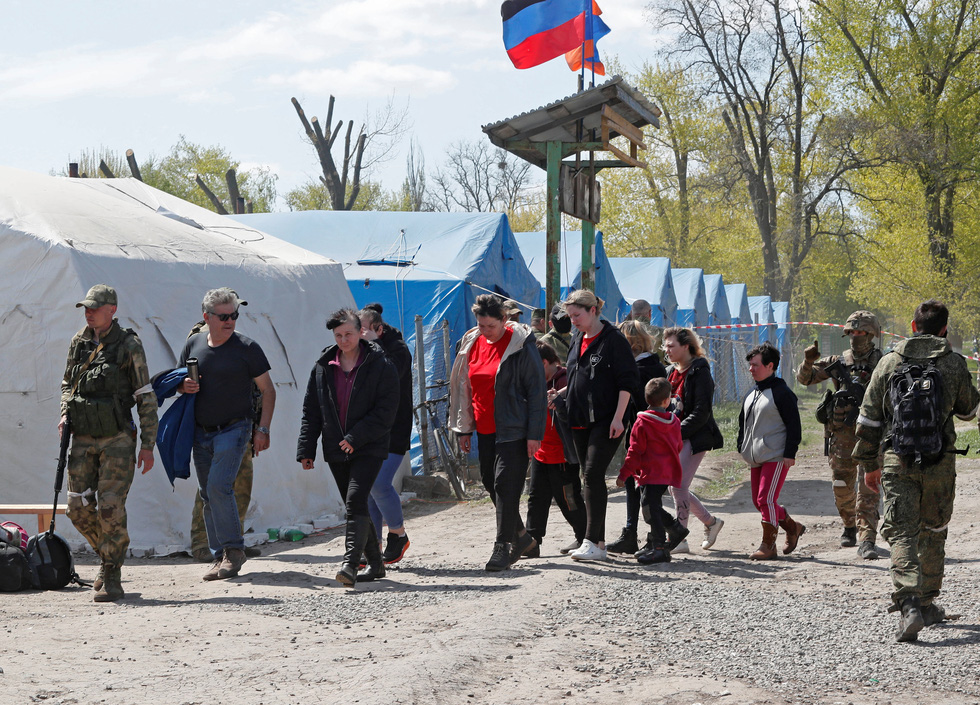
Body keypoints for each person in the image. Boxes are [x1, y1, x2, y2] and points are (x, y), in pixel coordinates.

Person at [853, 299, 980, 642]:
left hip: (897, 460)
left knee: (902, 531)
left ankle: (908, 604)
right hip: (940, 462)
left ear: (912, 327)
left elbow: (867, 419)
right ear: (944, 331)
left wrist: (868, 464)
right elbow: (969, 412)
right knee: (934, 529)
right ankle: (927, 602)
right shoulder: (953, 362)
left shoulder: (889, 363)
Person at [60, 284, 158, 602]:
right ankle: (107, 555)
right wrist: (65, 413)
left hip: (116, 437)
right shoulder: (79, 342)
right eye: (86, 307)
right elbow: (67, 383)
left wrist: (147, 443)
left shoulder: (129, 344)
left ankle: (112, 572)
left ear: (111, 309)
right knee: (76, 507)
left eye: (94, 307)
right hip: (82, 436)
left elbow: (144, 394)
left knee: (110, 506)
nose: (88, 312)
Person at [178, 288, 276, 582]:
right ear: (206, 316)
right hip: (201, 432)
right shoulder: (193, 343)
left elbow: (268, 390)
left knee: (220, 487)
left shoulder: (247, 348)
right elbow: (179, 380)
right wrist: (184, 386)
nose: (230, 320)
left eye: (233, 315)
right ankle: (219, 554)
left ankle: (234, 551)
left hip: (235, 429)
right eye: (223, 316)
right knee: (209, 493)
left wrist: (263, 428)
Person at [298, 308, 398, 587]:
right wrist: (306, 448)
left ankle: (350, 565)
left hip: (369, 446)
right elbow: (312, 410)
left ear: (361, 332)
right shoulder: (322, 366)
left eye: (349, 334)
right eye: (338, 335)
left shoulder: (381, 364)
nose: (344, 340)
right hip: (335, 447)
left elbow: (387, 410)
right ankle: (376, 565)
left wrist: (356, 437)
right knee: (355, 505)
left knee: (355, 501)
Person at [448, 294, 546, 571]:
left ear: (504, 320)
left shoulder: (521, 347)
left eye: (490, 326)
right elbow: (464, 388)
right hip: (485, 428)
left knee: (506, 484)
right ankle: (524, 537)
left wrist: (534, 433)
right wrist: (464, 429)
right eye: (480, 325)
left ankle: (503, 547)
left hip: (515, 428)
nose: (485, 331)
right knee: (491, 483)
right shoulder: (472, 344)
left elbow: (537, 392)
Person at [558, 289, 639, 562]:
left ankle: (593, 541)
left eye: (577, 315)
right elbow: (579, 374)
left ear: (593, 310)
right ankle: (597, 542)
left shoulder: (613, 340)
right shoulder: (577, 338)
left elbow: (626, 381)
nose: (573, 321)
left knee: (593, 474)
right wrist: (561, 393)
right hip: (579, 417)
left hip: (606, 418)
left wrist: (619, 417)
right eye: (570, 317)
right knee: (586, 475)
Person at [795, 310, 884, 559]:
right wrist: (808, 362)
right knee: (842, 486)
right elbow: (805, 380)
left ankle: (868, 539)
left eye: (862, 332)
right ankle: (849, 525)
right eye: (852, 332)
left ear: (872, 334)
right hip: (842, 437)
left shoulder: (884, 362)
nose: (856, 337)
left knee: (870, 489)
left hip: (871, 437)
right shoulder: (838, 361)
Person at [660, 327, 726, 554]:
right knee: (676, 488)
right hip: (675, 436)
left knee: (678, 486)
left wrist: (676, 433)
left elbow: (702, 412)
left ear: (686, 346)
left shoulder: (699, 371)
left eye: (671, 346)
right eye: (665, 346)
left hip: (696, 436)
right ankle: (711, 522)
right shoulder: (670, 372)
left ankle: (680, 538)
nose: (667, 350)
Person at [737, 342, 804, 560]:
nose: (751, 369)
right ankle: (792, 527)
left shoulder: (782, 392)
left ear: (770, 365)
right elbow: (742, 423)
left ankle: (768, 546)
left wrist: (789, 453)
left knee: (766, 499)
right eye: (750, 365)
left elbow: (794, 424)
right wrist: (741, 445)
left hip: (775, 455)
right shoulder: (752, 393)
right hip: (756, 456)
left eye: (755, 365)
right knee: (760, 502)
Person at [607, 320, 668, 555]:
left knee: (645, 492)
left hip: (645, 436)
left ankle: (657, 538)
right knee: (639, 489)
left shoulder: (640, 370)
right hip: (646, 434)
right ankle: (635, 534)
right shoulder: (654, 366)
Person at [359, 303, 413, 564]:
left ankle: (398, 534)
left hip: (395, 428)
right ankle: (374, 547)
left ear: (378, 330)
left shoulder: (397, 348)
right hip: (369, 428)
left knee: (379, 484)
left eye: (363, 331)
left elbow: (391, 373)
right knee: (368, 487)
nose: (358, 337)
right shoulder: (361, 349)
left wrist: (374, 346)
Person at [524, 340, 587, 556]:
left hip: (563, 455)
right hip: (542, 453)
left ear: (542, 363)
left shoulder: (568, 379)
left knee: (568, 498)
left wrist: (560, 400)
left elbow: (577, 416)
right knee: (536, 498)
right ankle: (532, 543)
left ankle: (585, 538)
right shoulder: (535, 382)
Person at [616, 378, 683, 564]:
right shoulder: (674, 421)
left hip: (651, 473)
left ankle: (660, 548)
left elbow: (634, 451)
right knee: (652, 505)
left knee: (649, 508)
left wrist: (624, 474)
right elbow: (678, 445)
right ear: (667, 401)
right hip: (667, 472)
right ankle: (674, 528)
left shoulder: (642, 422)